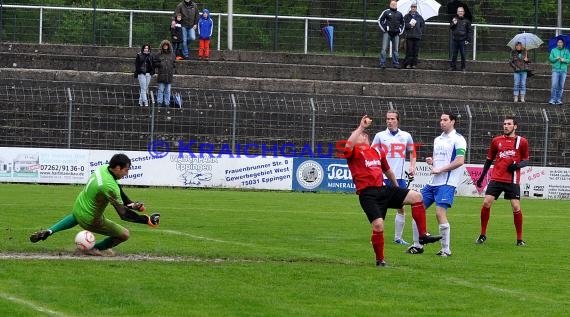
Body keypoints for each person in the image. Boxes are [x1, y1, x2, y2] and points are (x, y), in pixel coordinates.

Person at [343, 115, 441, 267]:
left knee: (416, 196)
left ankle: (422, 236)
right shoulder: (353, 153)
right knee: (378, 226)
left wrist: (397, 188)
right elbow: (348, 145)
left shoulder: (377, 152)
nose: (363, 136)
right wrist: (361, 127)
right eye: (360, 135)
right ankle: (380, 260)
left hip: (384, 189)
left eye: (364, 134)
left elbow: (388, 171)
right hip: (368, 194)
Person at [29, 154, 160, 255]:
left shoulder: (103, 169)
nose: (127, 173)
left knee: (78, 215)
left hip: (78, 207)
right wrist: (146, 219)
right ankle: (94, 248)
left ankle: (50, 231)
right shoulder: (109, 186)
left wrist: (131, 203)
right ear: (118, 168)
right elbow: (124, 214)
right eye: (126, 170)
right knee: (124, 234)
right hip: (90, 220)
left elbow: (118, 189)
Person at [407, 112, 466, 257]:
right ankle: (417, 245)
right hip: (433, 182)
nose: (442, 122)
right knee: (417, 210)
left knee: (440, 214)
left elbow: (459, 161)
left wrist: (440, 169)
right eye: (441, 120)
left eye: (445, 120)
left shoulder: (458, 139)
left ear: (453, 122)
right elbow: (442, 160)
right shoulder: (438, 139)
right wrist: (432, 162)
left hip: (447, 182)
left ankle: (446, 249)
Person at [475, 117, 529, 246]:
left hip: (512, 179)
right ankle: (482, 235)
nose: (505, 126)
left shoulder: (522, 141)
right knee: (486, 202)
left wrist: (516, 166)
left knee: (516, 206)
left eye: (509, 124)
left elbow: (526, 160)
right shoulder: (496, 141)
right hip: (496, 178)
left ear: (515, 126)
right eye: (504, 124)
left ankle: (519, 239)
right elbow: (489, 160)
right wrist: (482, 177)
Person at [371, 110, 416, 246]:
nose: (389, 121)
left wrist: (412, 166)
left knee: (401, 207)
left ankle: (398, 238)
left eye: (392, 119)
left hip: (400, 177)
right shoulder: (380, 136)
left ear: (398, 120)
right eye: (387, 119)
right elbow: (371, 153)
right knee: (378, 207)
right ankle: (375, 236)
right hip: (382, 177)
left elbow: (412, 151)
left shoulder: (406, 136)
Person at [377, 0, 405, 69]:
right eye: (392, 4)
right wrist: (385, 29)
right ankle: (382, 63)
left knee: (395, 50)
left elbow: (403, 23)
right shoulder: (386, 12)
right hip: (387, 33)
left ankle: (396, 63)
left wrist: (400, 30)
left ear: (396, 5)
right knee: (384, 49)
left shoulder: (400, 14)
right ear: (390, 5)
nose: (393, 5)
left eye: (395, 4)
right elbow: (380, 20)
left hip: (396, 34)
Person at [402, 3, 425, 69]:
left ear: (416, 8)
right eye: (412, 7)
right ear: (410, 8)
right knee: (409, 51)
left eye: (415, 7)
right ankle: (408, 64)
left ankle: (414, 64)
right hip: (409, 36)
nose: (413, 8)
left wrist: (420, 32)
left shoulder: (419, 17)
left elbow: (423, 25)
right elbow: (403, 25)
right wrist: (409, 25)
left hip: (417, 36)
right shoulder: (406, 16)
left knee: (416, 51)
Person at [449, 6, 472, 71]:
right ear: (457, 12)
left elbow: (469, 31)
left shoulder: (467, 21)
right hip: (455, 40)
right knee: (454, 54)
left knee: (463, 55)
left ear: (463, 12)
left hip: (463, 40)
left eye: (461, 11)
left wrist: (468, 40)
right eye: (459, 11)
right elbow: (451, 27)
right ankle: (453, 67)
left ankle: (463, 67)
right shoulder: (454, 19)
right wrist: (454, 23)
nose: (460, 12)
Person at [548, 38, 570, 105]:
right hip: (555, 70)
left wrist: (564, 60)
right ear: (557, 43)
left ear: (563, 43)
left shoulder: (566, 51)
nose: (559, 43)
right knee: (554, 85)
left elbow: (569, 60)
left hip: (563, 70)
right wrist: (556, 58)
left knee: (561, 86)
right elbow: (550, 59)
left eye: (561, 42)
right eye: (558, 42)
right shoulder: (553, 50)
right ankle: (552, 99)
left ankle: (558, 100)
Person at [154, 40, 176, 107]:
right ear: (162, 46)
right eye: (164, 45)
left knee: (168, 91)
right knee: (160, 90)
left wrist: (173, 67)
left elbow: (174, 63)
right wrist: (160, 64)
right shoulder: (158, 54)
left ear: (168, 46)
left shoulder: (172, 54)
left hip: (169, 75)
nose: (165, 46)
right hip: (161, 75)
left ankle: (167, 103)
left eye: (166, 45)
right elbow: (155, 63)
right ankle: (159, 103)